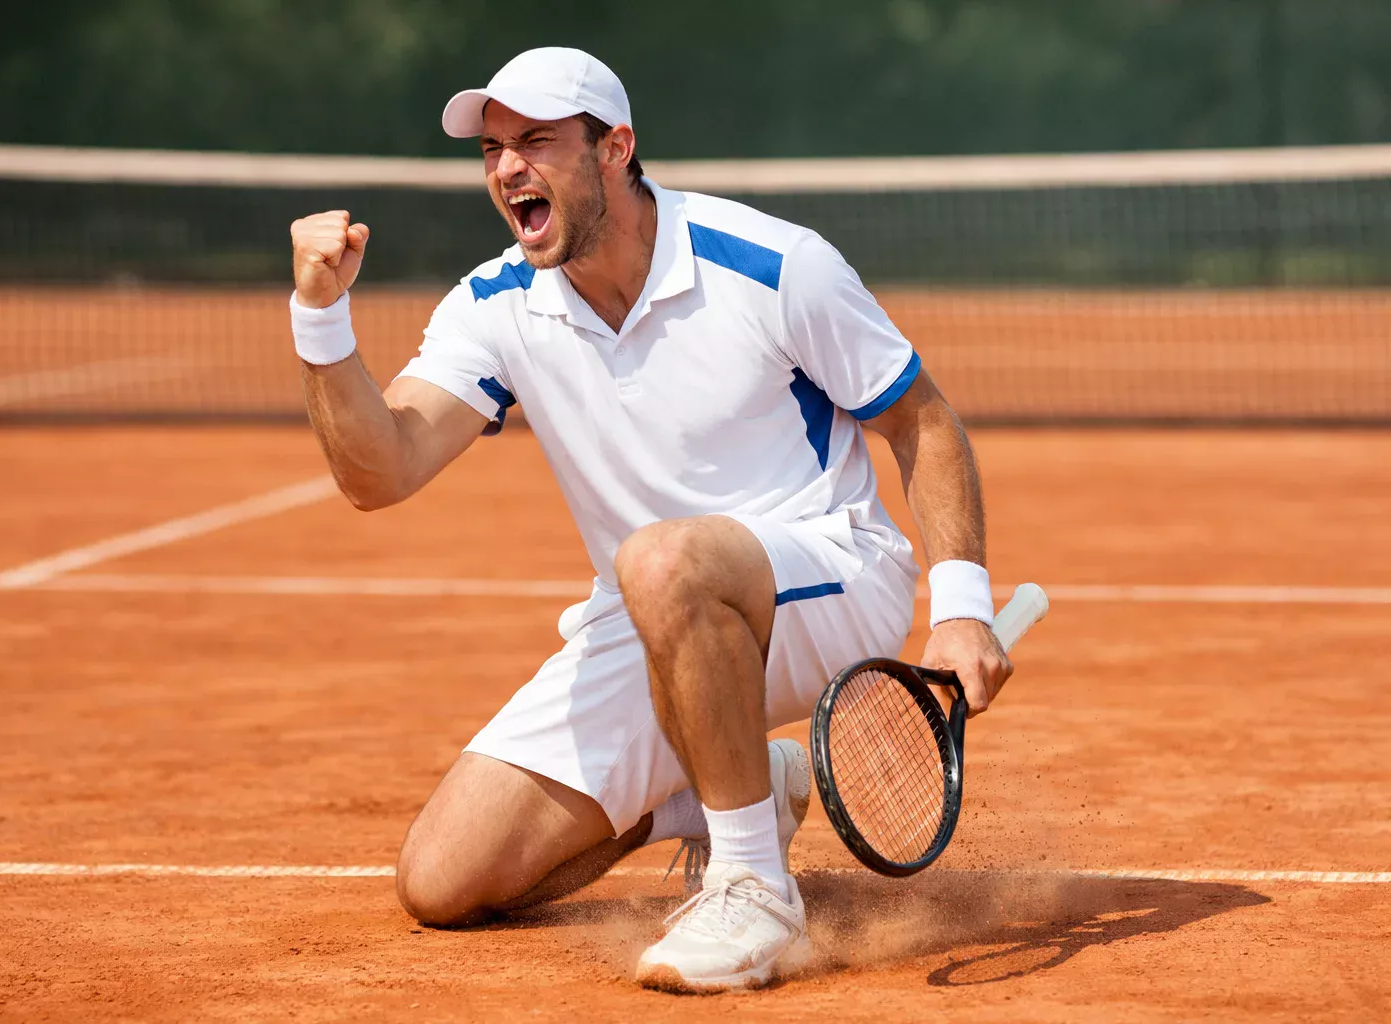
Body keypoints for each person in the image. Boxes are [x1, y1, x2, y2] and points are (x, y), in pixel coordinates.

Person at [288, 46, 1012, 994]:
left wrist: (962, 606)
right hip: (650, 606)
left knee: (665, 559)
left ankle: (755, 888)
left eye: (537, 141)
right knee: (444, 879)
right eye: (494, 148)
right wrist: (320, 319)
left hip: (834, 575)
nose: (508, 168)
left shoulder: (774, 264)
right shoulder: (494, 303)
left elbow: (921, 422)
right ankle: (737, 787)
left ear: (615, 148)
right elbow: (380, 471)